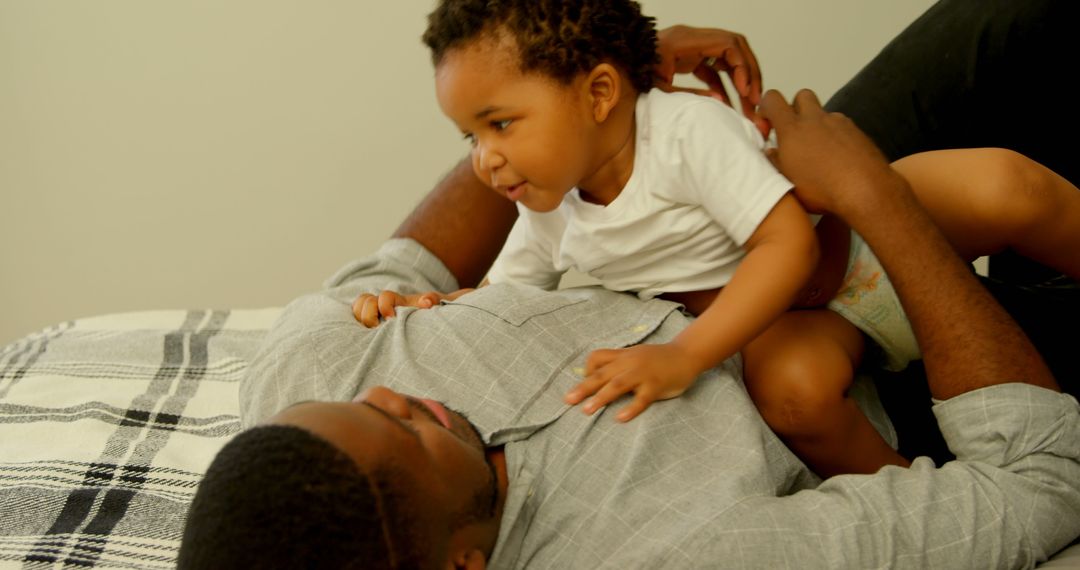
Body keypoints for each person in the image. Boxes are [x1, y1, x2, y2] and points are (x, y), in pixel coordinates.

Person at [178, 1, 1080, 568]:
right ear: (460, 565)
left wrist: (585, 94)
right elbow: (1041, 487)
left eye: (369, 398)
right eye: (406, 429)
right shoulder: (674, 554)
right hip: (853, 365)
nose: (400, 391)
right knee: (1020, 218)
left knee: (1012, 29)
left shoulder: (307, 381)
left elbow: (408, 263)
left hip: (727, 213)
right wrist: (876, 199)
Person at [352, 0, 1080, 478]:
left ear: (601, 95)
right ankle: (917, 491)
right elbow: (505, 302)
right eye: (469, 136)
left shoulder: (682, 132)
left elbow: (788, 245)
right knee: (794, 400)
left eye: (500, 123)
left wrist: (685, 354)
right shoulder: (550, 212)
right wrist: (425, 310)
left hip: (849, 242)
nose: (483, 158)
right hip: (805, 321)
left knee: (1006, 188)